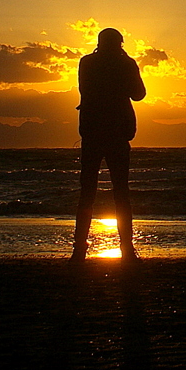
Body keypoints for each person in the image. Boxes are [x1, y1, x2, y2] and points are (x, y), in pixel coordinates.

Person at [72, 28, 146, 262]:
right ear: (120, 44)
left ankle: (79, 250)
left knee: (87, 192)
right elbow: (139, 94)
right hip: (117, 131)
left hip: (92, 131)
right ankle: (127, 249)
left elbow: (85, 90)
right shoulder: (126, 64)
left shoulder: (87, 63)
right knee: (121, 192)